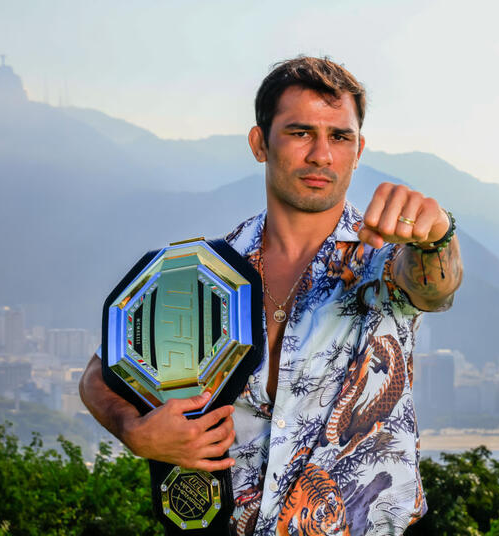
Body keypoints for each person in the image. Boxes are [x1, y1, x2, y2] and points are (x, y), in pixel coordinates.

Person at [80, 56, 462, 535]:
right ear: (260, 143)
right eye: (300, 133)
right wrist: (133, 431)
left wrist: (437, 236)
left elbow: (435, 284)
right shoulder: (205, 272)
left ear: (358, 149)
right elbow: (100, 373)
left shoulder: (385, 258)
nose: (322, 155)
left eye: (339, 137)